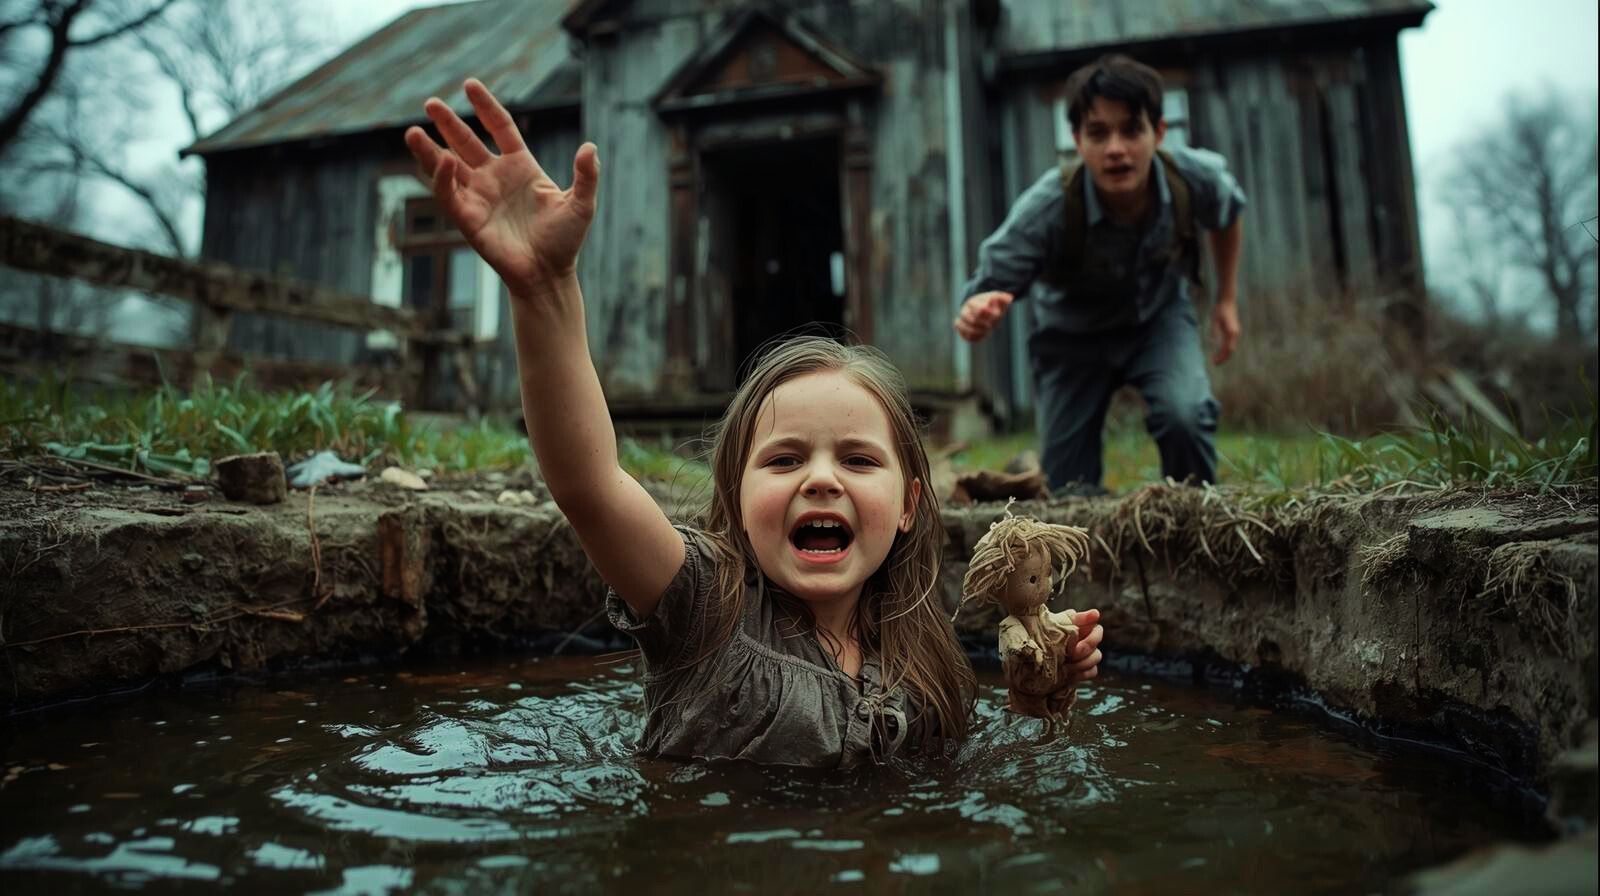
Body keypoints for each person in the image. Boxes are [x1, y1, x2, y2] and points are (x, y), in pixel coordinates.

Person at [404, 80, 1108, 768]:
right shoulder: (703, 607)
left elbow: (971, 785)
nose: (822, 479)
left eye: (859, 461)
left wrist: (1034, 702)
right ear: (737, 502)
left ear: (908, 506)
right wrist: (544, 290)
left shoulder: (927, 657)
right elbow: (588, 482)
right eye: (783, 461)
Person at [955, 54, 1247, 495]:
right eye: (1098, 133)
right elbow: (985, 289)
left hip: (1157, 322)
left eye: (1131, 130)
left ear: (1159, 133)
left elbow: (1228, 214)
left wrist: (1226, 299)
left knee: (1185, 416)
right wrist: (977, 313)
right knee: (1068, 489)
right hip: (1070, 339)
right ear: (1076, 138)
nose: (1116, 149)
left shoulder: (1193, 178)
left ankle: (1194, 522)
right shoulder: (1047, 208)